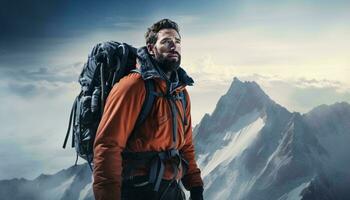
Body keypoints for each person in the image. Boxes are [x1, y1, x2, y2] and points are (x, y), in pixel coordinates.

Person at [93, 19, 204, 200]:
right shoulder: (133, 86)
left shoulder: (180, 92)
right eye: (166, 41)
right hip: (138, 191)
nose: (173, 46)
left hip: (171, 190)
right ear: (151, 48)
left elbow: (186, 146)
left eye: (177, 42)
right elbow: (108, 146)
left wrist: (195, 186)